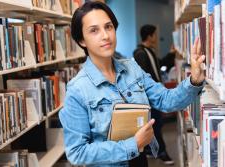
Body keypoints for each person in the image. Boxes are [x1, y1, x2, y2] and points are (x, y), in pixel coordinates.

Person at [58, 1, 206, 167]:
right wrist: (132, 145)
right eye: (94, 30)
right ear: (81, 40)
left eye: (108, 27)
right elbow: (77, 153)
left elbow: (166, 100)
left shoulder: (132, 68)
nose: (105, 35)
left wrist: (194, 79)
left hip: (140, 161)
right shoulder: (77, 90)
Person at [133, 25, 173, 165]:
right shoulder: (141, 53)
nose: (156, 37)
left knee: (156, 124)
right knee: (156, 124)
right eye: (155, 35)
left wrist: (171, 54)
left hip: (153, 96)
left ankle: (152, 150)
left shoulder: (150, 52)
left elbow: (159, 65)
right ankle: (161, 152)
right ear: (149, 36)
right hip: (149, 99)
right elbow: (142, 79)